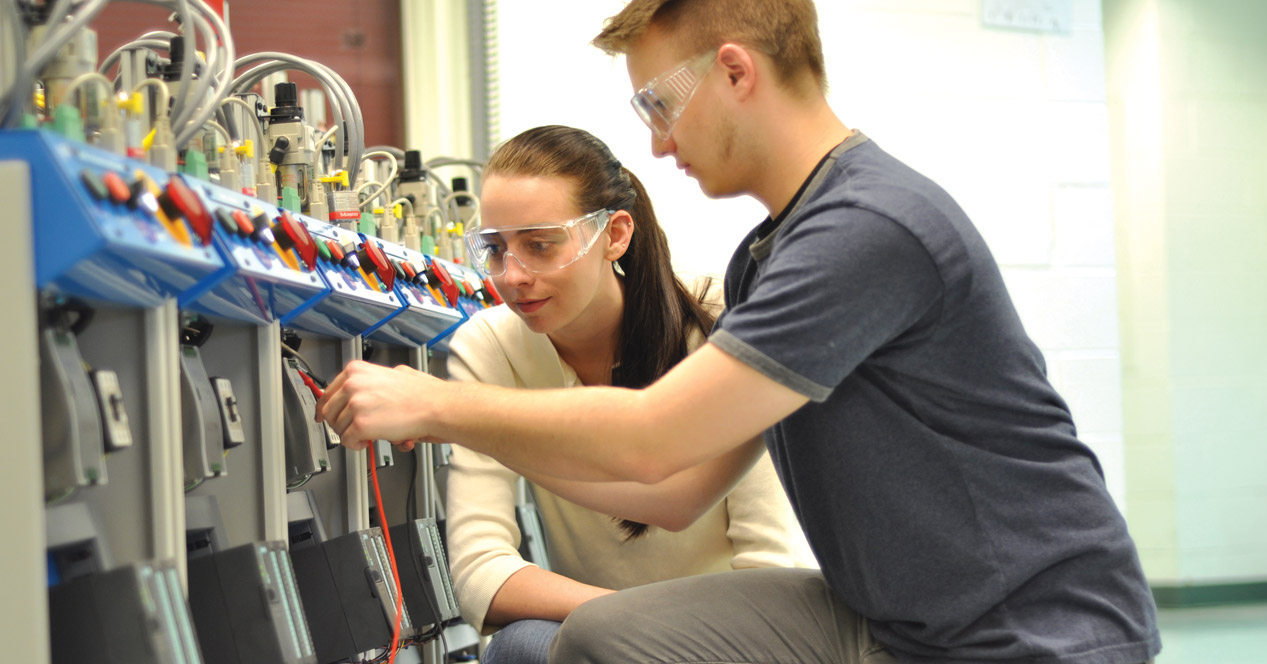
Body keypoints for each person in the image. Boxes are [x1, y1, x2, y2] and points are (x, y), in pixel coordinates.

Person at [316, 1, 1162, 662]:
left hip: (1025, 635)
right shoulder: (767, 256)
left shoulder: (868, 227)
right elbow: (678, 488)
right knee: (590, 640)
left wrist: (436, 406)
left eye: (658, 103)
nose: (653, 141)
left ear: (733, 71)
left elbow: (654, 438)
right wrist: (484, 435)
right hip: (887, 622)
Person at [442, 125, 808, 664]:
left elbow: (766, 561)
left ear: (614, 234)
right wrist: (629, 622)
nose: (512, 276)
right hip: (607, 639)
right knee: (520, 648)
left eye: (540, 246)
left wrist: (643, 630)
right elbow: (480, 575)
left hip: (734, 638)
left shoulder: (720, 327)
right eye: (494, 249)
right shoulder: (491, 345)